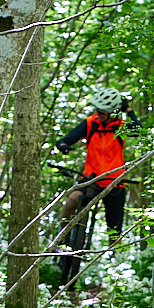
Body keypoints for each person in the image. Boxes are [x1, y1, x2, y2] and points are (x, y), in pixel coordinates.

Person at [54, 87, 138, 282]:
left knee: (114, 228)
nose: (98, 114)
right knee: (72, 199)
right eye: (97, 110)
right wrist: (64, 146)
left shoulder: (121, 126)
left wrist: (128, 110)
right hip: (91, 179)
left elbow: (138, 130)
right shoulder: (90, 123)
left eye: (103, 112)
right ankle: (60, 240)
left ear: (113, 112)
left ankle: (117, 271)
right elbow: (66, 140)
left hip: (115, 182)